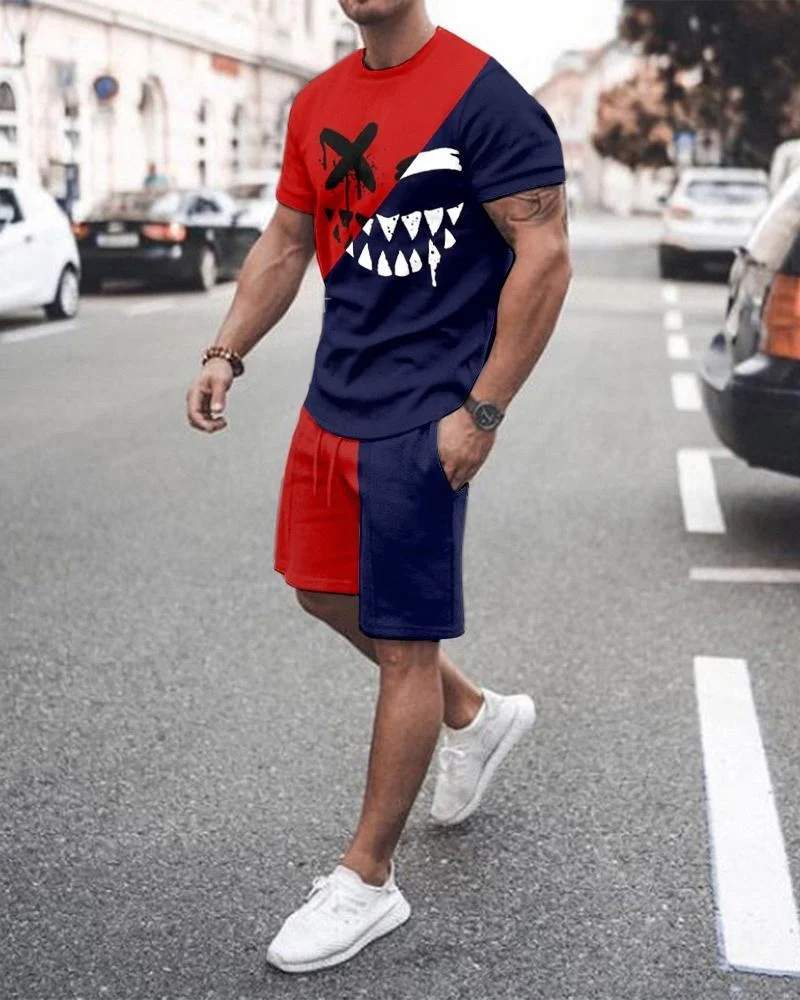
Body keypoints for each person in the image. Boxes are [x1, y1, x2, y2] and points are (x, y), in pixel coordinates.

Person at [186, 0, 571, 974]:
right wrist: (227, 349)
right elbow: (285, 242)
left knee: (405, 643)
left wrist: (482, 409)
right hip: (333, 399)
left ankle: (368, 879)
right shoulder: (317, 100)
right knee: (320, 591)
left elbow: (543, 254)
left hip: (426, 412)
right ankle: (473, 713)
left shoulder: (485, 98)